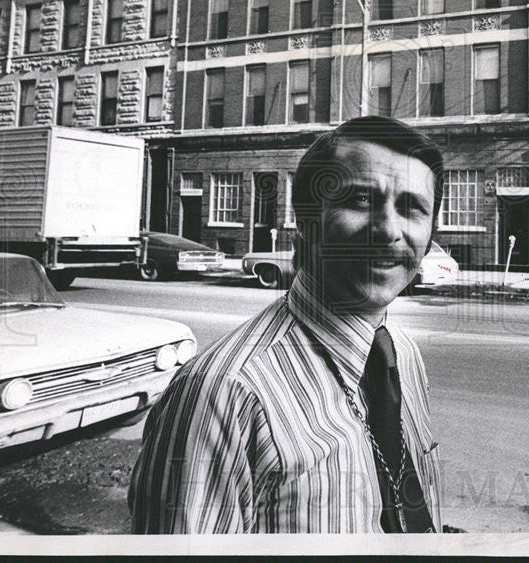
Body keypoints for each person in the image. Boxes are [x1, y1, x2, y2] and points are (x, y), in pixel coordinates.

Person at [129, 116, 445, 533]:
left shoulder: (401, 353)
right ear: (307, 222)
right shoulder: (224, 395)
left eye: (412, 208)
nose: (388, 230)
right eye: (360, 201)